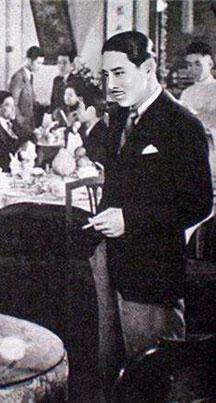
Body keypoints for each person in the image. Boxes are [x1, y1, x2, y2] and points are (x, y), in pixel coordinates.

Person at [90, 31, 212, 362]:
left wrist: (129, 219)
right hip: (110, 262)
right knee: (112, 366)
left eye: (119, 73)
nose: (111, 85)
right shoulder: (120, 116)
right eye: (106, 75)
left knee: (153, 371)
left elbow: (199, 203)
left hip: (152, 273)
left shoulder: (182, 124)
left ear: (147, 68)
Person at [179, 41, 216, 199]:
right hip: (190, 151)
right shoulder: (187, 93)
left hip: (212, 151)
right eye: (189, 65)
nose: (193, 69)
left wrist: (194, 115)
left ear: (210, 63)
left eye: (198, 64)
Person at [9, 46, 45, 139]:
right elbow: (13, 104)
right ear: (29, 60)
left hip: (29, 124)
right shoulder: (19, 77)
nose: (40, 66)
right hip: (21, 126)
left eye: (41, 63)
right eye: (38, 63)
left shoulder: (30, 76)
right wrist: (22, 122)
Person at [76, 92, 108, 165]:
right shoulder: (84, 129)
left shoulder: (102, 133)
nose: (77, 112)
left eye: (79, 108)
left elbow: (97, 160)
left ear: (91, 110)